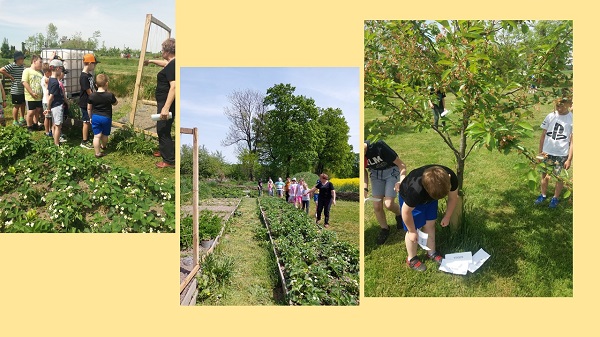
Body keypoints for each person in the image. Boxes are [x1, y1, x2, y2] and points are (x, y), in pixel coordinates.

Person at [398, 165, 459, 271]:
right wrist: (412, 231)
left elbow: (453, 198)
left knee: (430, 224)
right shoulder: (415, 190)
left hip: (430, 198)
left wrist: (447, 216)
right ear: (425, 187)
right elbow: (406, 212)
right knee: (414, 228)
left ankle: (431, 252)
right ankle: (411, 258)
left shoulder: (450, 177)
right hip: (410, 201)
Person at [364, 140, 407, 244]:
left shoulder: (379, 146)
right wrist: (364, 189)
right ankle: (385, 229)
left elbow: (401, 165)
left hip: (391, 172)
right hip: (376, 175)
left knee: (388, 204)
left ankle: (399, 214)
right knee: (377, 206)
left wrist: (401, 181)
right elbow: (363, 171)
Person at [534, 95, 573, 208]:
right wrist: (540, 152)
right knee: (544, 175)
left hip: (561, 154)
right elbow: (542, 136)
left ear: (569, 105)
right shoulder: (550, 116)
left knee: (558, 177)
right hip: (547, 152)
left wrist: (569, 158)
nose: (559, 109)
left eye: (562, 106)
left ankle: (555, 198)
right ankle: (543, 194)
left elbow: (573, 141)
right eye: (557, 106)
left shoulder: (572, 119)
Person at [145, 38, 176, 168]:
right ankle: (166, 151)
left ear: (168, 51)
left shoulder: (173, 65)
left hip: (166, 103)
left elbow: (174, 87)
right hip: (164, 101)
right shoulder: (172, 63)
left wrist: (166, 107)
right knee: (164, 128)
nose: (161, 51)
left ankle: (169, 160)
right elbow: (164, 63)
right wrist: (150, 61)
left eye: (162, 49)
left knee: (162, 129)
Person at [87, 74, 117, 158]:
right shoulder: (110, 95)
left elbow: (89, 108)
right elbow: (115, 103)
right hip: (106, 117)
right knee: (105, 135)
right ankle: (103, 146)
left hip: (95, 117)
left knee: (96, 136)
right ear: (106, 84)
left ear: (96, 85)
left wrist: (90, 117)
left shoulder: (92, 95)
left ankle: (97, 153)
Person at [78, 54, 99, 149]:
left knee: (89, 120)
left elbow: (93, 88)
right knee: (86, 121)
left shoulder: (89, 75)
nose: (94, 66)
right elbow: (89, 92)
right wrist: (98, 99)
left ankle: (88, 137)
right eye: (94, 64)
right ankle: (84, 141)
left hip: (90, 102)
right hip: (85, 103)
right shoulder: (83, 77)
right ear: (90, 63)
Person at [0, 51, 26, 126]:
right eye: (22, 59)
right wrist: (10, 76)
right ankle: (15, 121)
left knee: (23, 104)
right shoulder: (12, 66)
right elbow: (1, 70)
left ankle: (22, 118)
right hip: (16, 89)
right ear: (17, 59)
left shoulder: (22, 67)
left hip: (22, 89)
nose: (23, 60)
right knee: (16, 106)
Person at [46, 59, 66, 146]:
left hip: (54, 106)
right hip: (57, 106)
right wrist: (48, 108)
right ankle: (57, 144)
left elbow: (48, 92)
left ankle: (55, 140)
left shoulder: (50, 79)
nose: (62, 71)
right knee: (58, 126)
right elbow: (50, 97)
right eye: (61, 69)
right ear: (57, 68)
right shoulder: (55, 83)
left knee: (54, 124)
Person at [21, 54, 44, 132]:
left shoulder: (40, 73)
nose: (41, 64)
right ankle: (29, 126)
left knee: (37, 111)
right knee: (31, 112)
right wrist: (31, 92)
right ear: (34, 61)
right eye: (40, 62)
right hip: (30, 96)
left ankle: (35, 124)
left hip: (39, 96)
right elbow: (24, 82)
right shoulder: (27, 70)